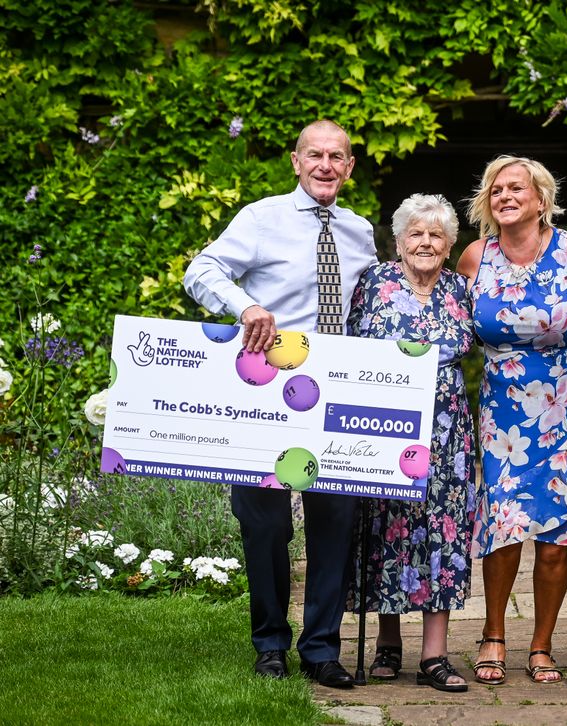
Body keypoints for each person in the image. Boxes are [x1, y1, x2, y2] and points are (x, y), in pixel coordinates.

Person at [183, 119, 377, 688]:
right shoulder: (261, 218)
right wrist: (245, 308)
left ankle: (321, 649)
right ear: (296, 162)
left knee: (335, 522)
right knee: (264, 523)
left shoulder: (361, 230)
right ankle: (269, 643)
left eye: (336, 156)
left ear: (349, 167)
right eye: (314, 155)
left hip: (337, 393)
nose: (325, 165)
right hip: (264, 391)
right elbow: (202, 270)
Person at [457, 156, 567, 684]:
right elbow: (453, 327)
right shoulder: (475, 257)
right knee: (503, 524)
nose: (505, 196)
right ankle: (493, 635)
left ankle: (542, 645)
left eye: (516, 188)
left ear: (542, 199)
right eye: (496, 190)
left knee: (557, 532)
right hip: (503, 414)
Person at [345, 194, 476, 693]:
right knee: (386, 529)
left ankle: (435, 656)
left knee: (441, 534)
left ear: (448, 245)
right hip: (385, 424)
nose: (425, 242)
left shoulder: (461, 290)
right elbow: (346, 347)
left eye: (435, 235)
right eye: (415, 234)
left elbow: (506, 336)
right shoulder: (374, 284)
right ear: (398, 241)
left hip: (446, 433)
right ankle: (387, 642)